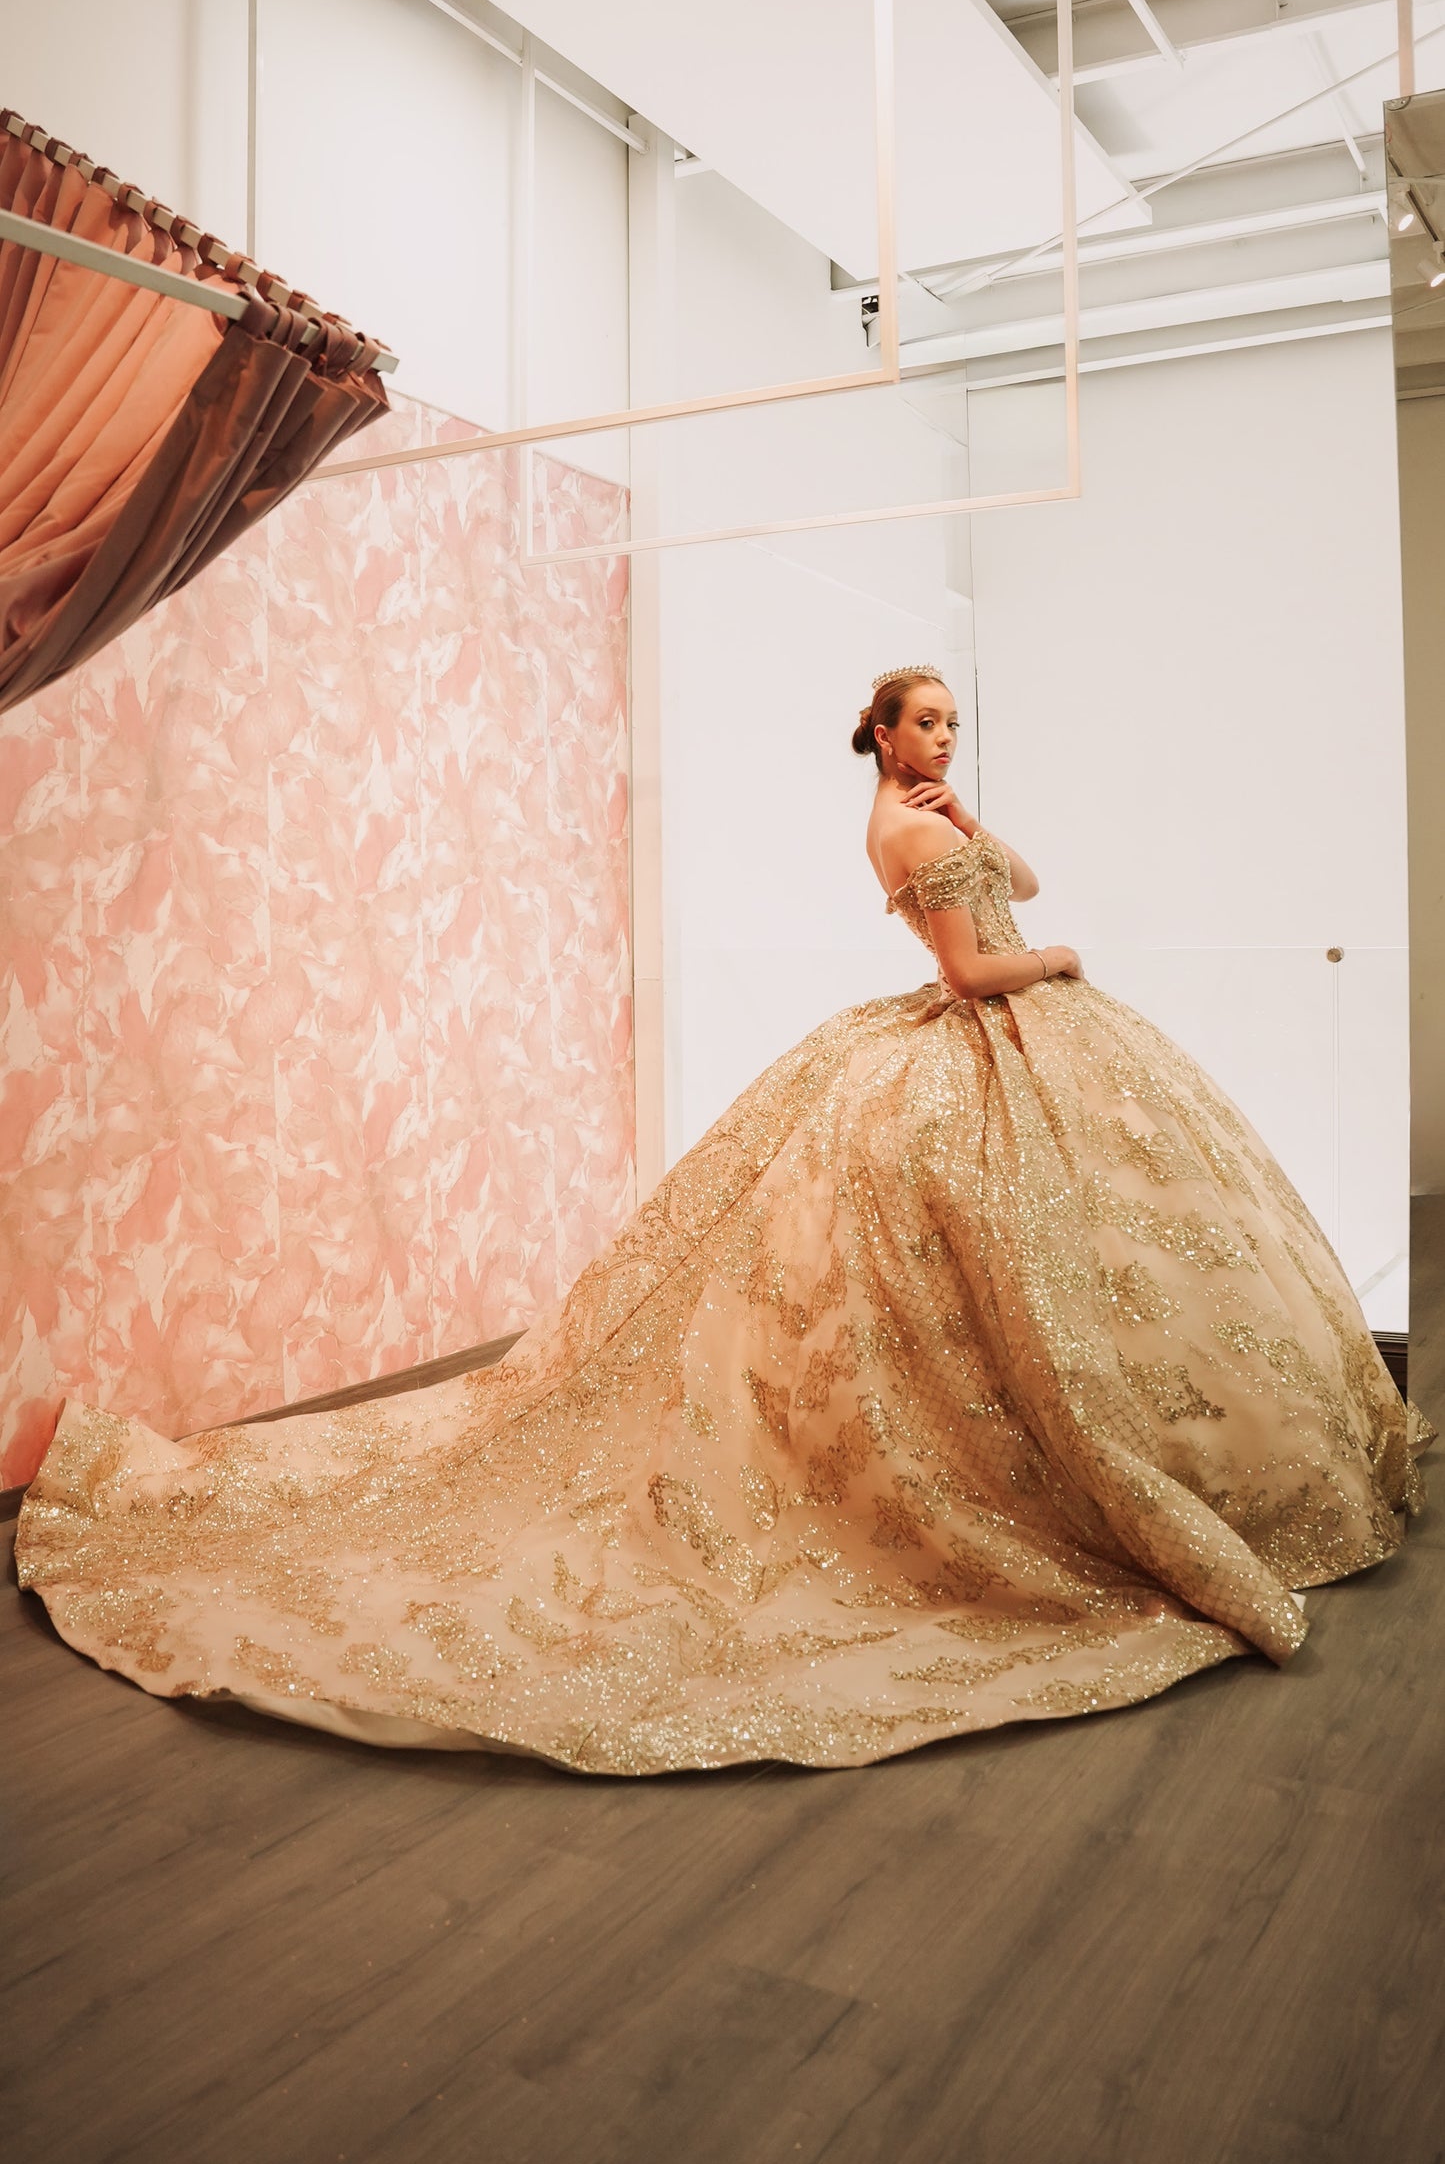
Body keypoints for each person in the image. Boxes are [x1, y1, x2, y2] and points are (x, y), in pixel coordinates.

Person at [16, 665, 1428, 1773]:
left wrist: (983, 834)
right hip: (991, 1027)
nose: (942, 738)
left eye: (952, 723)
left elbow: (1024, 881)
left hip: (1029, 1032)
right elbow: (973, 966)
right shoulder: (895, 825)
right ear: (880, 737)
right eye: (924, 724)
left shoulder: (939, 818)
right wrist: (1051, 958)